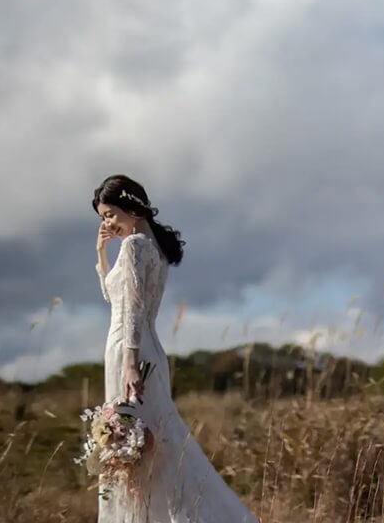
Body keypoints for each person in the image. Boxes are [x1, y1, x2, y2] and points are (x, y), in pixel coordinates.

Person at [93, 174, 259, 523]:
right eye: (102, 218)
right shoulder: (152, 248)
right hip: (143, 349)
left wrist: (129, 364)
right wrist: (101, 253)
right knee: (145, 444)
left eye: (110, 214)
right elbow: (114, 297)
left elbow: (132, 310)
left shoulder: (135, 246)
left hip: (131, 350)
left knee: (137, 443)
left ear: (131, 207)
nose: (108, 223)